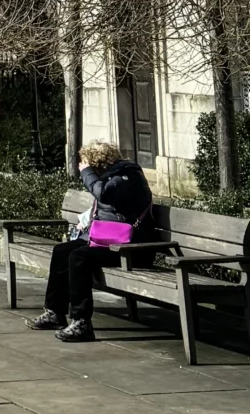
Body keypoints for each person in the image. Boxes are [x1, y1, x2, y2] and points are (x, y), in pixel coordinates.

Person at [32, 139, 157, 342]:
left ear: (97, 164)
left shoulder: (127, 177)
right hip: (109, 240)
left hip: (132, 247)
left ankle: (82, 322)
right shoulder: (111, 176)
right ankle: (55, 312)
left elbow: (104, 194)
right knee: (62, 251)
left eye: (89, 165)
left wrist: (86, 172)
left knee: (79, 257)